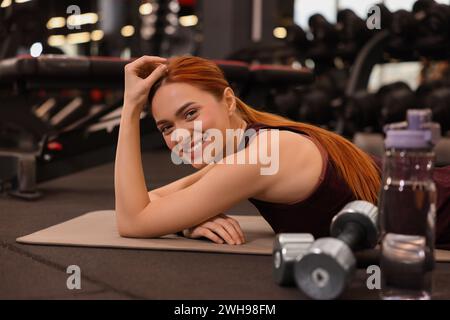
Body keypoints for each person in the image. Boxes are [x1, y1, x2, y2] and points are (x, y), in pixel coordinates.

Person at [114, 55, 450, 249]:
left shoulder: (257, 157)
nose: (182, 135)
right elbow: (149, 202)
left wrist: (130, 108)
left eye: (191, 114)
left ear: (228, 101)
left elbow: (133, 220)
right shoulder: (247, 148)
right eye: (166, 127)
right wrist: (189, 220)